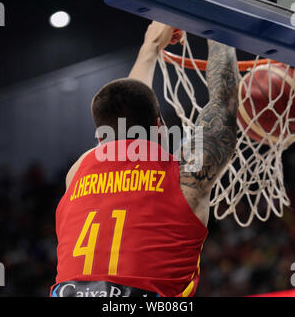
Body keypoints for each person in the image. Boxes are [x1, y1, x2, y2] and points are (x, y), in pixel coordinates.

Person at [50, 21, 239, 297]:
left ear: (100, 136)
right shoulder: (185, 177)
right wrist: (215, 22)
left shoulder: (79, 169)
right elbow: (223, 102)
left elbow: (124, 114)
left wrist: (150, 47)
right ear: (159, 126)